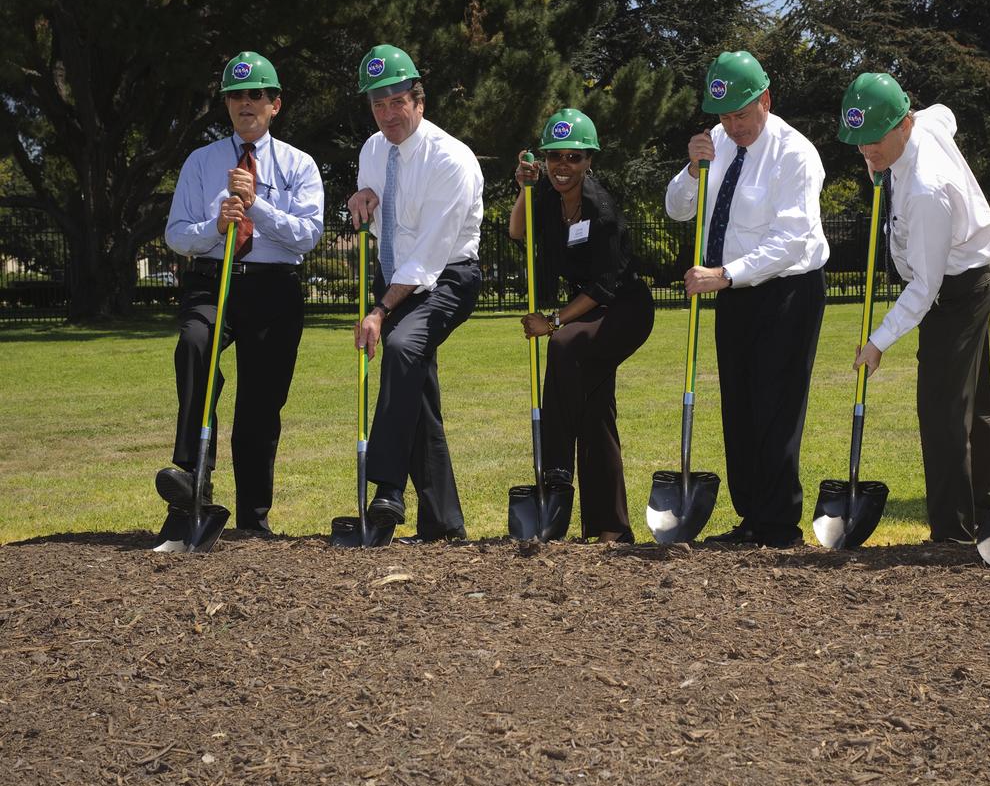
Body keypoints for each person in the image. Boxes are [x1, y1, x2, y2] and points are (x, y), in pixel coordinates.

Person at [156, 51, 323, 541]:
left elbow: (307, 236)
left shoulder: (299, 164)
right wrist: (215, 226)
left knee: (260, 404)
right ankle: (192, 479)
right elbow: (176, 234)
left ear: (275, 104)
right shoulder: (201, 161)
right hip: (215, 280)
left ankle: (253, 519)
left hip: (274, 289)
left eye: (255, 95)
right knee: (195, 344)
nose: (244, 104)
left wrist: (258, 206)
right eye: (235, 96)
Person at [664, 50, 828, 548]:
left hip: (787, 291)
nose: (732, 126)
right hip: (732, 291)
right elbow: (676, 209)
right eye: (724, 116)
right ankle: (751, 517)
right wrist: (692, 171)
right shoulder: (715, 143)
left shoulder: (795, 154)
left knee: (775, 407)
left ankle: (778, 524)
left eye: (741, 114)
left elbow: (791, 241)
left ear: (766, 101)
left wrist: (725, 274)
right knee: (739, 407)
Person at [839, 73, 990, 543]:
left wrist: (878, 342)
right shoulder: (925, 125)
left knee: (943, 411)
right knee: (971, 405)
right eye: (859, 142)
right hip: (959, 279)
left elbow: (925, 286)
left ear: (903, 125)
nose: (866, 151)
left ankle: (952, 533)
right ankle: (989, 510)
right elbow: (945, 115)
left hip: (954, 291)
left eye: (875, 140)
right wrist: (881, 162)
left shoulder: (926, 190)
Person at [347, 44, 484, 544]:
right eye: (378, 105)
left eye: (397, 102)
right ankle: (444, 524)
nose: (388, 114)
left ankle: (387, 488)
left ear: (419, 101)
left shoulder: (451, 160)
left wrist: (380, 311)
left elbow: (428, 256)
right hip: (397, 281)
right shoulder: (372, 149)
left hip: (448, 277)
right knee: (415, 391)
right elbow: (374, 212)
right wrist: (361, 200)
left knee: (403, 348)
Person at [508, 109, 655, 543]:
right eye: (555, 156)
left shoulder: (601, 210)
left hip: (624, 309)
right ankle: (611, 528)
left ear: (589, 160)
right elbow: (517, 231)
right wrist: (524, 189)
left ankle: (556, 470)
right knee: (594, 408)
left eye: (574, 157)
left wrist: (553, 321)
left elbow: (604, 286)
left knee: (564, 345)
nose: (563, 166)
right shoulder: (547, 196)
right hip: (588, 308)